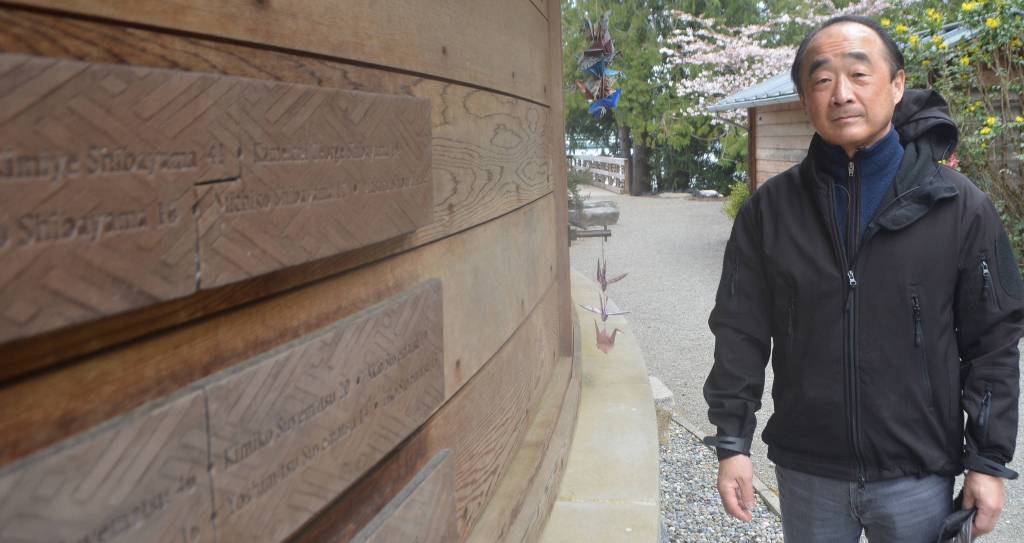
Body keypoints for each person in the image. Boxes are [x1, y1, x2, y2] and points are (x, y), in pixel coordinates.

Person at [703, 15, 1024, 542]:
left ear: (897, 85)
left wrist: (987, 461)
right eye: (822, 79)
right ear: (804, 98)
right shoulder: (769, 212)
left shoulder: (958, 207)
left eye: (859, 74)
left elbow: (993, 342)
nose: (842, 94)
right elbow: (740, 331)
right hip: (809, 471)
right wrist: (732, 443)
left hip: (917, 472)